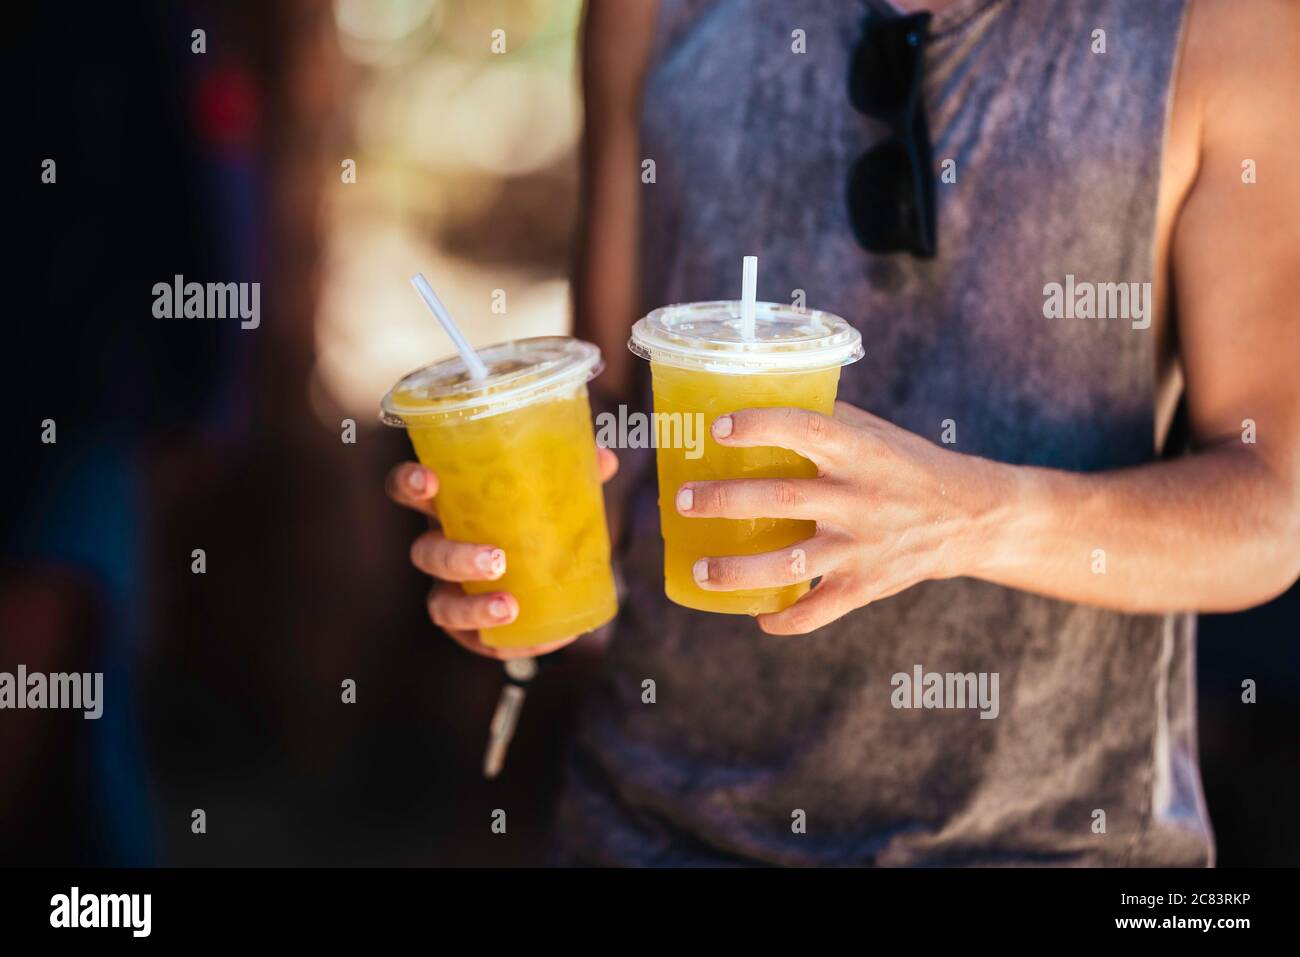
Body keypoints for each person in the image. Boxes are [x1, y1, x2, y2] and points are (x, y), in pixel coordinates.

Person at [386, 0, 1300, 865]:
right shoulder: (646, 11)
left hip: (1046, 841)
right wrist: (533, 546)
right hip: (655, 825)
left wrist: (976, 517)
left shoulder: (1227, 27)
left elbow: (1273, 506)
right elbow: (622, 416)